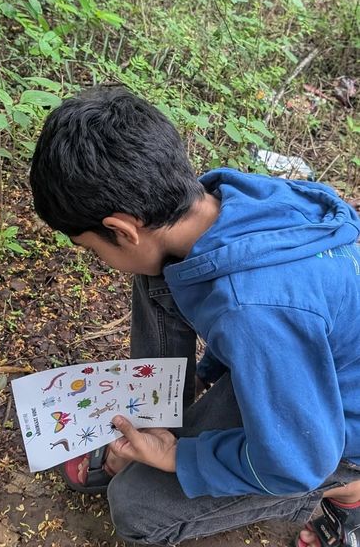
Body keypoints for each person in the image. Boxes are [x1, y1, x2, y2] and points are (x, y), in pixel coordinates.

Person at [30, 86, 360, 547]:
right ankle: (157, 412)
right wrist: (208, 373)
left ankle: (348, 489)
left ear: (121, 229)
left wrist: (176, 457)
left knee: (136, 509)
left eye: (93, 249)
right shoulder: (231, 197)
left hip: (333, 429)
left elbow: (300, 459)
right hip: (298, 362)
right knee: (160, 271)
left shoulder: (253, 312)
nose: (98, 258)